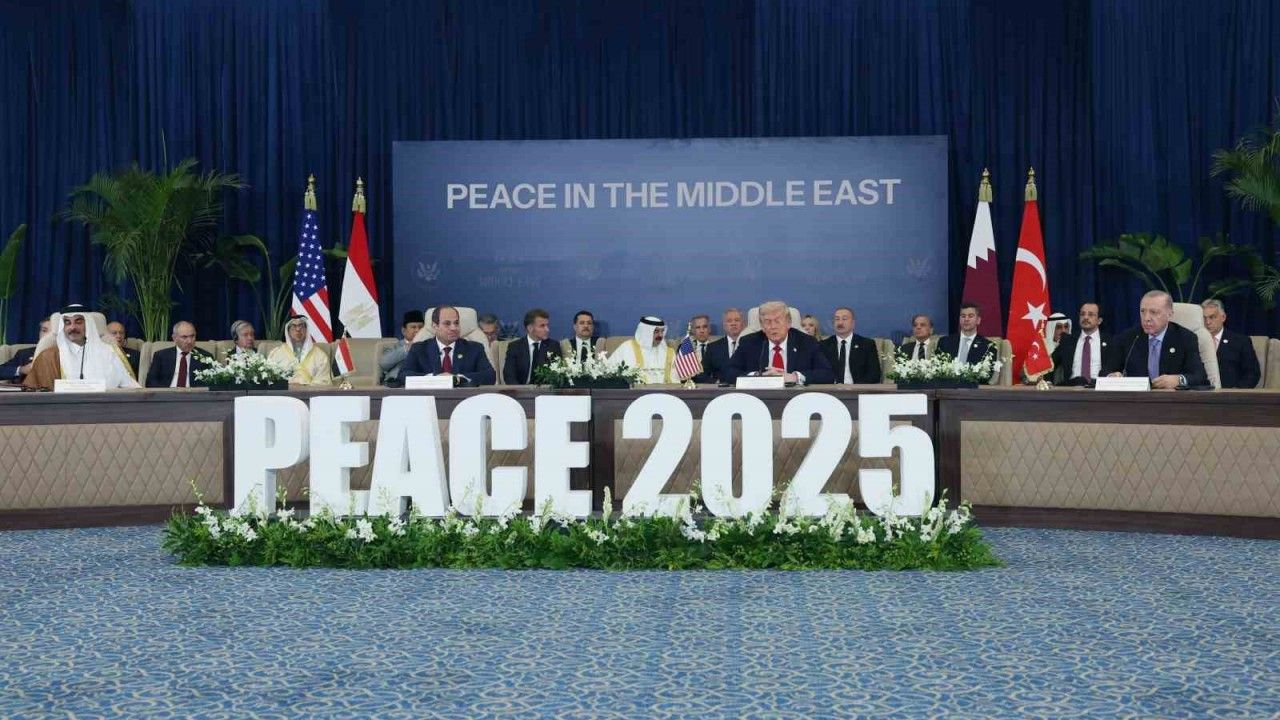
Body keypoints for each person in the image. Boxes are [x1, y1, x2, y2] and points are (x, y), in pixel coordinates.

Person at [1103, 290, 1206, 389]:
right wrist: (1111, 377)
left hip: (1172, 399)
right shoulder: (1128, 338)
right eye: (1143, 311)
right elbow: (1106, 371)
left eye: (1153, 312)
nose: (1146, 318)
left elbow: (1200, 376)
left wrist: (1178, 380)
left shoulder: (1185, 338)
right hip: (1136, 399)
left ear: (1169, 314)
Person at [23, 304, 140, 390]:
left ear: (88, 325)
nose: (72, 327)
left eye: (78, 322)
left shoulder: (109, 352)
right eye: (67, 323)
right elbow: (31, 393)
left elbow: (130, 386)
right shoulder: (48, 357)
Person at [725, 300, 834, 385]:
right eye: (767, 322)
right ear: (762, 326)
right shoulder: (749, 342)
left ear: (789, 323)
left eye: (777, 321)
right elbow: (729, 372)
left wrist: (794, 377)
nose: (773, 326)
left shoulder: (807, 342)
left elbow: (827, 374)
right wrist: (757, 376)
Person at [401, 305, 495, 386]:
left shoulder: (474, 348)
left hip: (464, 398)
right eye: (447, 323)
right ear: (435, 326)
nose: (454, 328)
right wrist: (434, 379)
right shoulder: (419, 349)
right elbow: (403, 375)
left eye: (456, 323)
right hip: (430, 398)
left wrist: (458, 378)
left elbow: (490, 376)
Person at [1202, 299, 1260, 389]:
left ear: (1223, 317)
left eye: (1212, 317)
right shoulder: (1195, 341)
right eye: (1204, 318)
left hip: (1231, 394)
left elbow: (1252, 373)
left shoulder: (1241, 342)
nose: (1207, 322)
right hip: (1200, 394)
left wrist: (1237, 390)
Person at [936, 302, 996, 383]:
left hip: (973, 388)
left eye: (970, 316)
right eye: (963, 316)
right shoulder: (944, 342)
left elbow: (987, 374)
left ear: (978, 320)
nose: (966, 319)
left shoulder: (988, 346)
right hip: (948, 387)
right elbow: (937, 369)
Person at [1051, 302, 1109, 386]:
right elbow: (1050, 364)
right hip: (1072, 388)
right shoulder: (1067, 341)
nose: (1085, 317)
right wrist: (1045, 382)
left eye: (1090, 314)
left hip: (1099, 388)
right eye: (1082, 314)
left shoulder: (1110, 341)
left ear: (1099, 321)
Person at [266, 315, 333, 386]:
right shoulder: (276, 354)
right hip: (284, 392)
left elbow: (324, 381)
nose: (298, 329)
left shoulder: (320, 355)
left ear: (306, 330)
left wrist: (305, 387)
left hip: (310, 392)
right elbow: (269, 380)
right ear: (288, 331)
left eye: (301, 326)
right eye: (293, 326)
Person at [820, 307, 881, 384]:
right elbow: (819, 372)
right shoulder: (823, 345)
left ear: (853, 323)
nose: (840, 323)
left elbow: (874, 374)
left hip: (858, 388)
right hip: (830, 389)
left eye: (844, 319)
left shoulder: (866, 344)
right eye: (837, 319)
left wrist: (856, 387)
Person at [146, 321, 215, 388]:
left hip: (193, 394)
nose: (189, 341)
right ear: (174, 338)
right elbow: (150, 382)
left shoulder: (205, 357)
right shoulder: (161, 356)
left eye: (192, 336)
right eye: (184, 337)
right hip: (167, 393)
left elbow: (212, 384)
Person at [612, 316, 678, 384]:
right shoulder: (627, 348)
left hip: (665, 390)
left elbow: (676, 380)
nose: (660, 335)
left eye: (662, 331)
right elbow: (609, 372)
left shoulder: (669, 353)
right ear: (646, 332)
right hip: (636, 390)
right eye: (656, 331)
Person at [503, 308, 560, 385]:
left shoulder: (553, 346)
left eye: (547, 325)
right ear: (530, 328)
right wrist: (519, 391)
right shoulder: (515, 347)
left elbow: (556, 376)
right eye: (542, 326)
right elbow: (509, 376)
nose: (547, 329)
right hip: (520, 389)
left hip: (544, 390)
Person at [697, 308, 747, 385]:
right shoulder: (713, 348)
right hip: (721, 389)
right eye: (729, 321)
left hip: (746, 388)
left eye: (737, 320)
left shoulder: (752, 345)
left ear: (743, 324)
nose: (733, 323)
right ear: (724, 326)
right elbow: (701, 374)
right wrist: (715, 382)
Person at [378, 310, 425, 387]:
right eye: (413, 327)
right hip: (396, 384)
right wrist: (408, 347)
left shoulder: (429, 346)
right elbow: (384, 363)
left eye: (420, 327)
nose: (417, 330)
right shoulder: (393, 346)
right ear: (404, 331)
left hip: (421, 384)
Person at [0, 318, 51, 383]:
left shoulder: (63, 355)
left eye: (53, 332)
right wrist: (22, 369)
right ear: (39, 333)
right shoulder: (24, 354)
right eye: (44, 331)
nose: (48, 336)